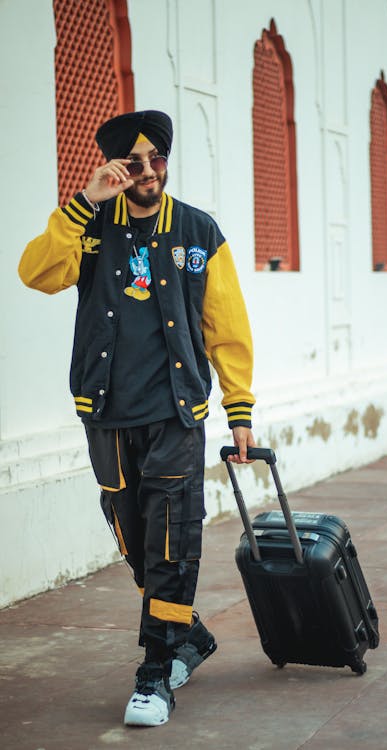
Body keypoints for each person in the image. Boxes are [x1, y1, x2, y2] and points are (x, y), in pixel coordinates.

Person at [18, 110, 256, 727]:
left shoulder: (199, 231)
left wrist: (239, 410)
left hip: (176, 413)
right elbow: (35, 273)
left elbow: (225, 327)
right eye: (135, 162)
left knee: (173, 539)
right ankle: (189, 636)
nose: (148, 171)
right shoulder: (92, 228)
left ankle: (154, 671)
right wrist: (81, 203)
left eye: (158, 159)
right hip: (108, 413)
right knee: (134, 539)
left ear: (168, 162)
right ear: (117, 167)